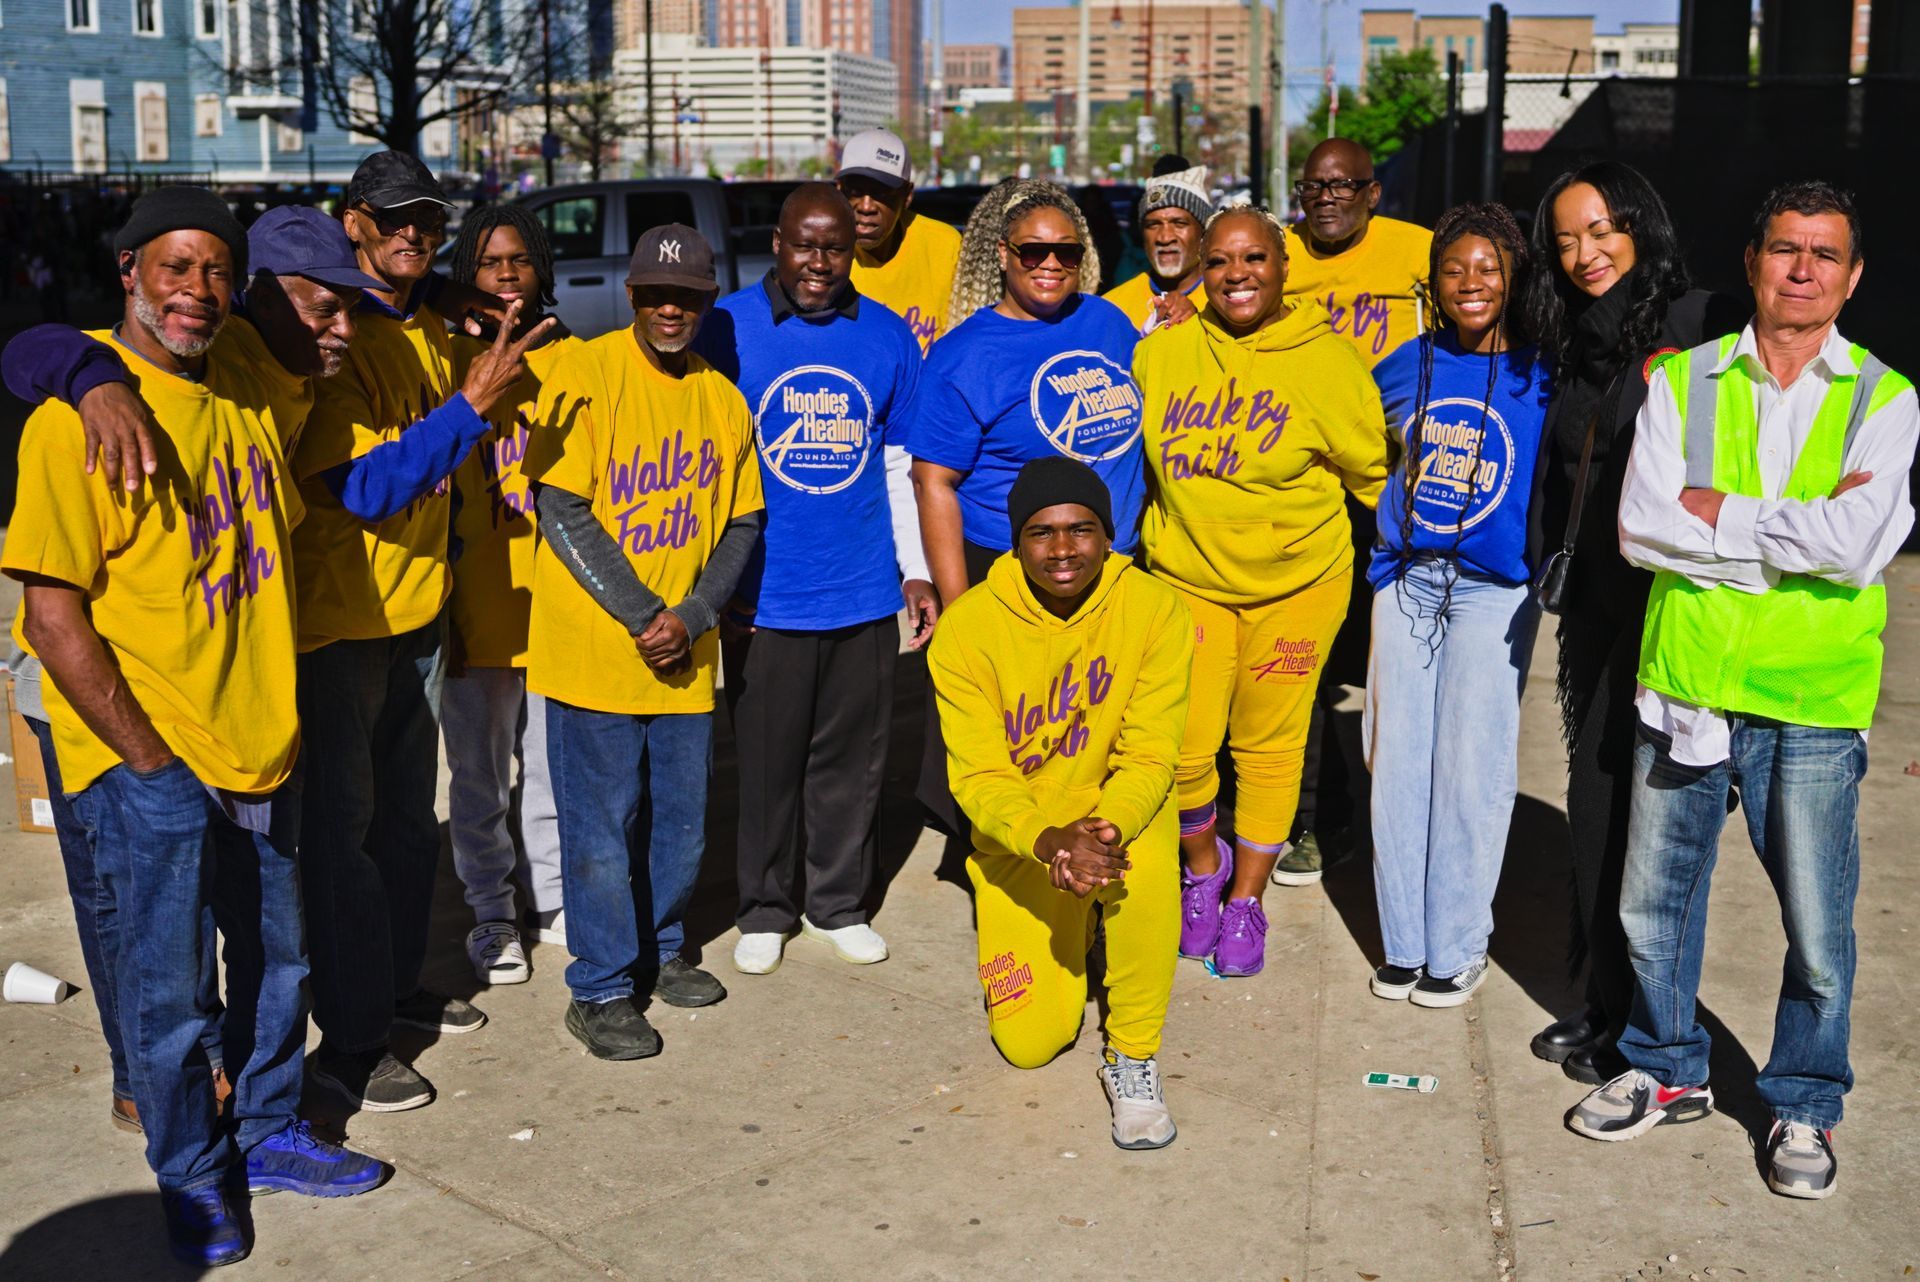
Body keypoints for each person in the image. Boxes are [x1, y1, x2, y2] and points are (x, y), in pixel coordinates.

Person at [2, 188, 385, 1268]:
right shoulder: (72, 418)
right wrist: (147, 757)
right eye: (175, 268)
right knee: (170, 992)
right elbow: (50, 614)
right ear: (128, 271)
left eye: (216, 272)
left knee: (278, 961)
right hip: (150, 757)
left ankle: (264, 1133)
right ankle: (191, 1175)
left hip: (259, 738)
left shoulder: (246, 393)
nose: (196, 291)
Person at [1566, 183, 1914, 1201]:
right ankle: (1666, 1069)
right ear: (1753, 261)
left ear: (1851, 277)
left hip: (1811, 700)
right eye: (1784, 250)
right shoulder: (1683, 381)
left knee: (1817, 924)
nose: (1801, 269)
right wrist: (1793, 528)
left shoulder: (1884, 398)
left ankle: (1804, 1098)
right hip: (1689, 686)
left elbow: (1857, 552)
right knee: (1653, 906)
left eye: (1824, 254)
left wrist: (1722, 520)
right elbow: (1641, 530)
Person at [293, 151, 551, 1112]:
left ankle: (397, 994)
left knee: (408, 830)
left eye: (430, 221)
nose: (412, 234)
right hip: (342, 628)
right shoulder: (331, 333)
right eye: (393, 217)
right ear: (351, 219)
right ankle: (351, 1046)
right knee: (346, 843)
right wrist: (471, 403)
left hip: (420, 618)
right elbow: (367, 486)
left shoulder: (428, 322)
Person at [1521, 161, 1747, 1086]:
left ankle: (1653, 1026)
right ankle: (1611, 1005)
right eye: (1568, 237)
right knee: (1599, 816)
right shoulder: (1568, 341)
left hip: (1686, 621)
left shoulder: (1704, 322)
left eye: (1604, 228)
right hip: (1602, 623)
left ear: (1641, 227)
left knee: (1663, 836)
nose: (1587, 253)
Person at [525, 224, 764, 1060]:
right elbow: (563, 509)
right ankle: (597, 986)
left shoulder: (721, 398)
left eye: (690, 297)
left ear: (707, 301)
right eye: (657, 294)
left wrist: (692, 618)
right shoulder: (586, 373)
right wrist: (641, 616)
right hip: (597, 655)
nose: (673, 308)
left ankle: (660, 950)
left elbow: (742, 520)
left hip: (685, 658)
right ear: (631, 295)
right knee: (599, 830)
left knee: (682, 825)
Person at [1134, 205, 1389, 977]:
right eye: (1219, 262)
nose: (1236, 275)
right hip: (1187, 579)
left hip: (1297, 587)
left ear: (1283, 267)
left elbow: (1375, 477)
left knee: (1270, 749)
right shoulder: (1163, 355)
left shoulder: (1329, 361)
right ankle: (1201, 872)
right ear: (1199, 269)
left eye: (1254, 260)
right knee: (1184, 748)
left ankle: (1246, 901)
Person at [693, 185, 936, 975]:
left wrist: (915, 571)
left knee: (852, 761)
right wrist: (713, 582)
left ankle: (837, 902)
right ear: (778, 241)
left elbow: (900, 463)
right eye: (805, 245)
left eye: (835, 248)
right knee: (765, 764)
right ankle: (765, 906)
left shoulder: (887, 336)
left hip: (862, 588)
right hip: (764, 594)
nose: (820, 264)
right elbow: (706, 463)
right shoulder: (726, 327)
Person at [928, 457, 1190, 1150]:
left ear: (1109, 535)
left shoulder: (1156, 608)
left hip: (1115, 814)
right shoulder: (967, 629)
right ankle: (1076, 917)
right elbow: (979, 776)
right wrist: (1049, 842)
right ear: (1017, 543)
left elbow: (1149, 754)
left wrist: (1103, 832)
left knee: (1147, 863)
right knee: (1030, 1042)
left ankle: (1133, 1054)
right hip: (1025, 836)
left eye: (1082, 529)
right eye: (1042, 533)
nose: (1064, 549)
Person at [909, 181, 1145, 832]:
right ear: (1003, 256)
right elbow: (934, 483)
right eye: (1033, 252)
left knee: (1094, 736)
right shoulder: (965, 354)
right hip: (1009, 570)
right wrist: (960, 613)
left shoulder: (1106, 323)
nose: (1050, 265)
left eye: (1065, 253)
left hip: (1112, 566)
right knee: (1018, 736)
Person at [1363, 204, 1552, 1007]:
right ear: (1432, 283)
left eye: (1488, 268)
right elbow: (1361, 442)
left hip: (1492, 592)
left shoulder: (1544, 373)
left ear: (1514, 277)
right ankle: (1405, 945)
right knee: (1396, 764)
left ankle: (1458, 945)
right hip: (1408, 581)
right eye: (1454, 270)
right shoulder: (1408, 364)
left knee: (1471, 770)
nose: (1471, 284)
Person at [1270, 138, 1435, 889]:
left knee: (1394, 669)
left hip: (1394, 485)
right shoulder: (1275, 253)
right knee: (1302, 667)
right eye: (1313, 187)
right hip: (1304, 484)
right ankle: (1315, 818)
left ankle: (1408, 823)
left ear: (1374, 193)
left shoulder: (1419, 252)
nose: (1327, 198)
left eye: (1343, 186)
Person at [442, 205, 581, 983]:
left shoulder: (577, 362)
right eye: (488, 261)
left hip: (555, 608)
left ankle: (552, 897)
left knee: (552, 769)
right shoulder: (446, 366)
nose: (504, 273)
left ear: (541, 272)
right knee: (478, 777)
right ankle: (492, 911)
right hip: (476, 610)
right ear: (466, 276)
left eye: (518, 260)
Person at [836, 128, 963, 355]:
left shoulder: (944, 245)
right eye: (855, 192)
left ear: (907, 196)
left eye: (882, 193)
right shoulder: (823, 254)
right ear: (839, 190)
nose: (866, 207)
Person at [1101, 164, 1210, 335]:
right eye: (1153, 225)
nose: (1165, 237)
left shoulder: (1228, 302)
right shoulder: (1112, 308)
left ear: (1203, 232)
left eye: (1179, 223)